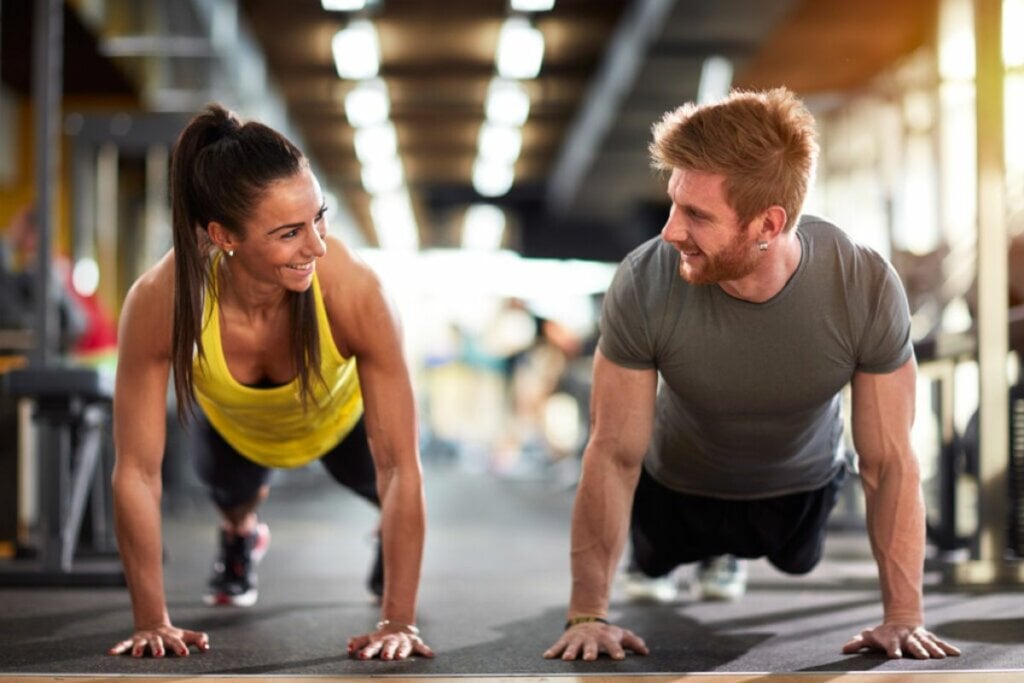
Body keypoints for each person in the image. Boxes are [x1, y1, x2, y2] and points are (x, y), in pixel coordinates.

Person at [543, 88, 961, 662]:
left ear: (768, 222)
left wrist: (903, 617)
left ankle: (728, 552)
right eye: (673, 204)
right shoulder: (644, 280)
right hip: (675, 488)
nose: (670, 231)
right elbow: (613, 454)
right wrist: (588, 614)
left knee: (797, 560)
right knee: (658, 556)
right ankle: (679, 554)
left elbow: (889, 461)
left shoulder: (861, 283)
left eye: (696, 215)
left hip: (797, 492)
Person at [108, 104, 432, 660]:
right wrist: (151, 620)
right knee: (230, 497)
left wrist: (398, 620)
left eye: (318, 218)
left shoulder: (355, 291)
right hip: (237, 429)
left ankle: (386, 536)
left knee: (385, 490)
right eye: (289, 233)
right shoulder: (162, 299)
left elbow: (402, 466)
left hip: (339, 425)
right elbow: (137, 472)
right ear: (223, 235)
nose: (317, 246)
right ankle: (241, 536)